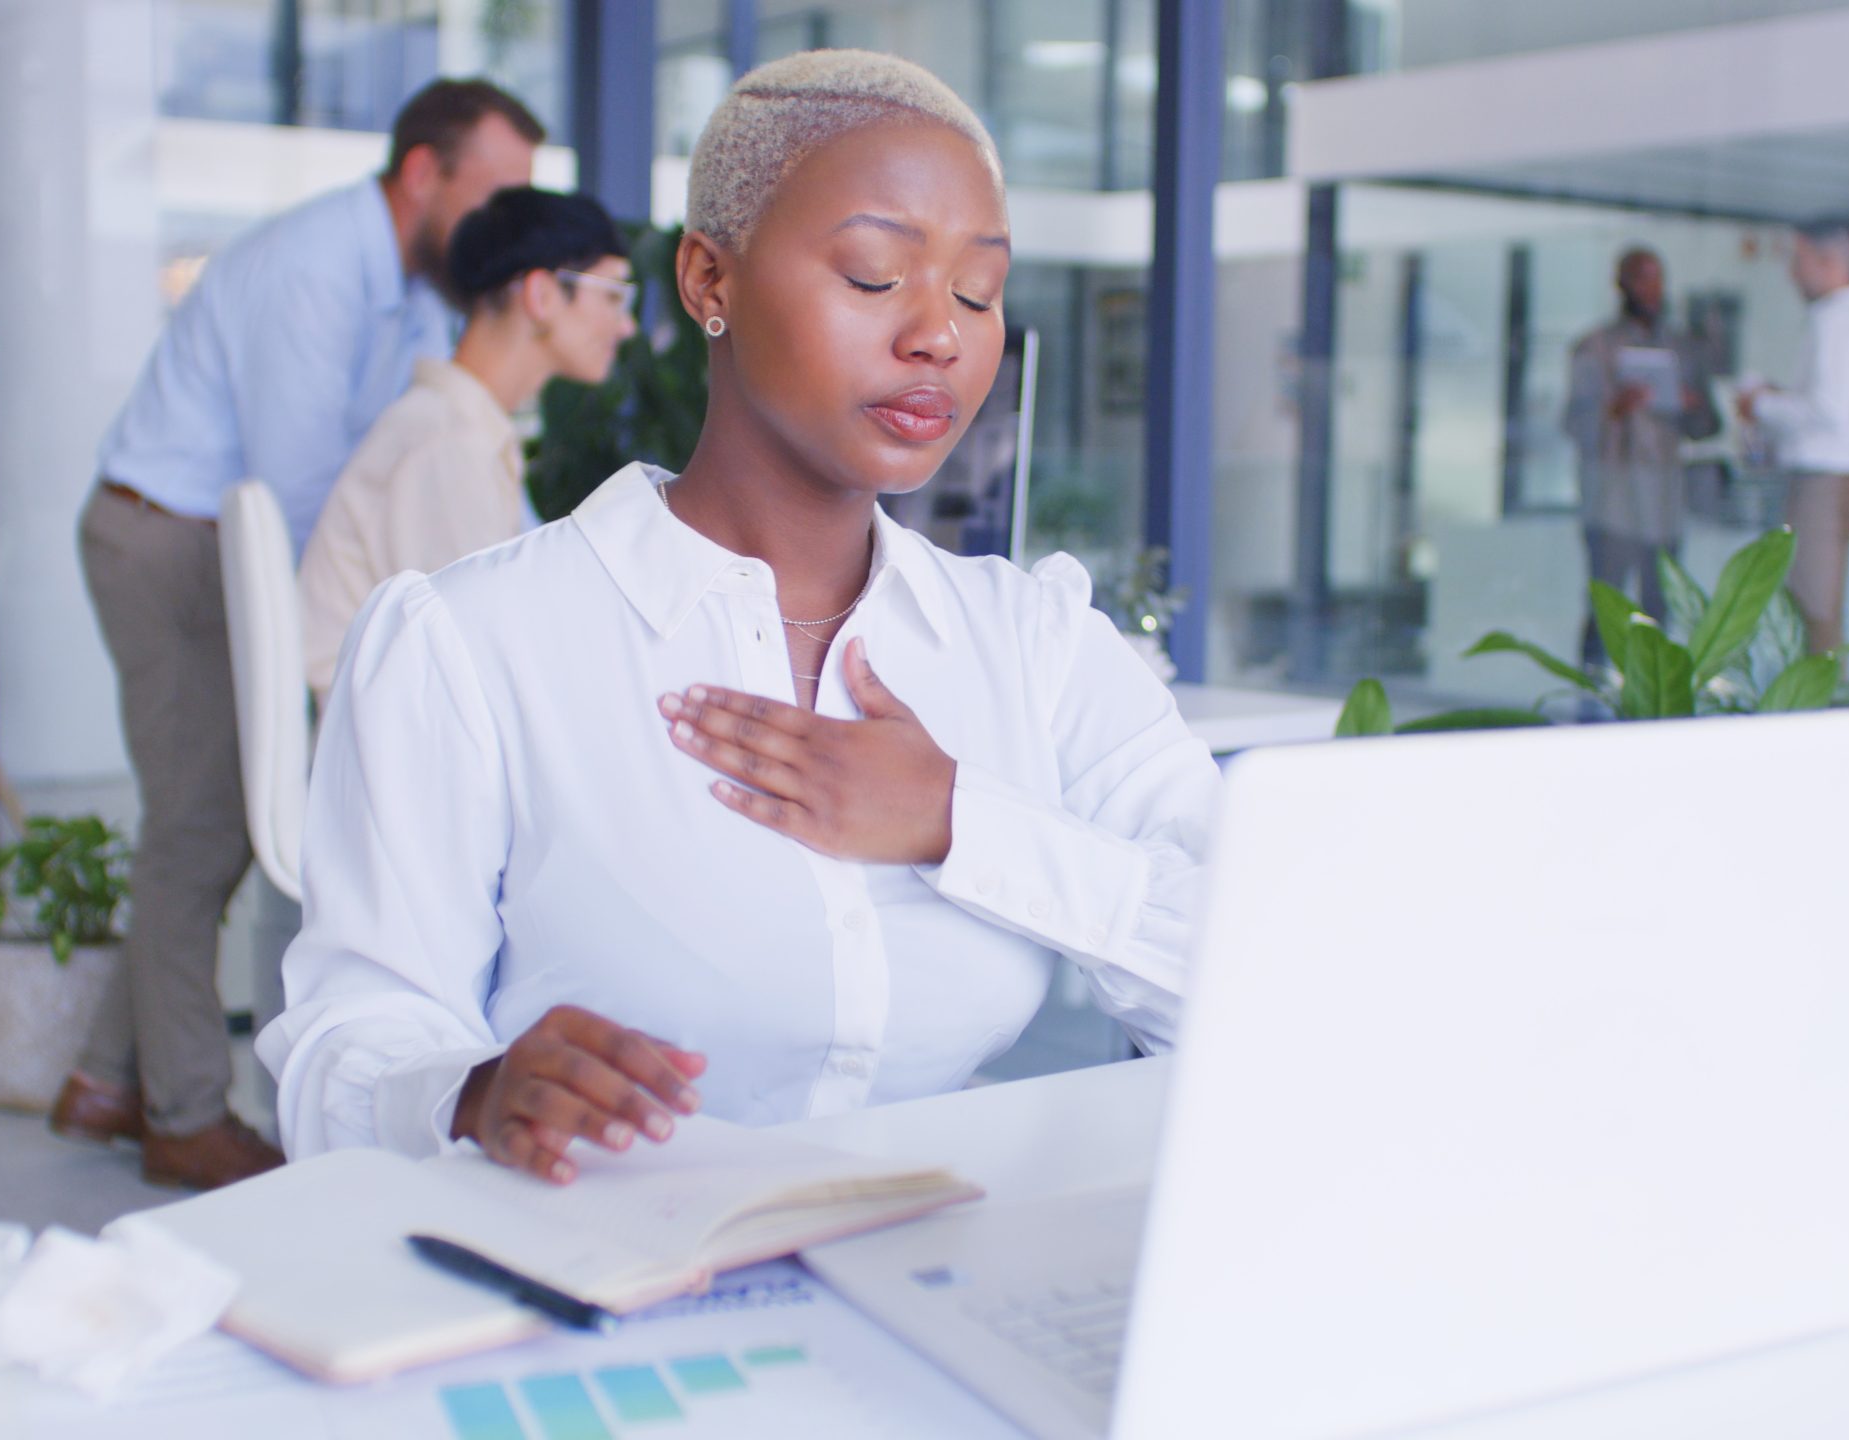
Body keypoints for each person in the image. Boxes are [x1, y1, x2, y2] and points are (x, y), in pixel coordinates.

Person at [259, 50, 1219, 1180]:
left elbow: (1270, 972)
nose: (940, 337)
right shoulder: (472, 645)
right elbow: (342, 1049)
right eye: (874, 277)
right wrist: (467, 1094)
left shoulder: (1031, 641)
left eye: (978, 292)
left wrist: (965, 821)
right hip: (599, 1285)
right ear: (709, 280)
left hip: (941, 1270)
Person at [56, 80, 543, 1191]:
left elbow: (445, 430)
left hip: (225, 542)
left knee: (208, 816)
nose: (506, 218)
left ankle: (101, 1080)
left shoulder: (418, 283)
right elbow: (314, 492)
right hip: (167, 542)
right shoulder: (317, 269)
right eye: (497, 189)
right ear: (423, 173)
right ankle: (180, 1115)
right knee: (204, 826)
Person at [299, 187, 638, 702]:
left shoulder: (460, 428)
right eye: (613, 295)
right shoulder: (447, 443)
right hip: (395, 749)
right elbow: (481, 662)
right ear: (542, 295)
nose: (626, 325)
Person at [1738, 217, 1849, 656]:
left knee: (1814, 615)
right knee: (1821, 610)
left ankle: (1821, 716)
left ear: (1829, 262)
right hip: (1842, 480)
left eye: (1799, 259)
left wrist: (1761, 406)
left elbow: (1828, 410)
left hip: (1822, 485)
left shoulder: (1836, 324)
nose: (1792, 272)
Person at [1562, 246, 1717, 661]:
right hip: (1612, 495)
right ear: (1621, 284)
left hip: (1664, 496)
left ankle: (1651, 704)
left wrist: (1691, 404)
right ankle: (1590, 698)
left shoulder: (1682, 348)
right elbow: (1574, 425)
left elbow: (1708, 427)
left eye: (1657, 278)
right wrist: (1614, 407)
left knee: (1659, 603)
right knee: (1606, 602)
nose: (1651, 289)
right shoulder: (1594, 348)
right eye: (1641, 278)